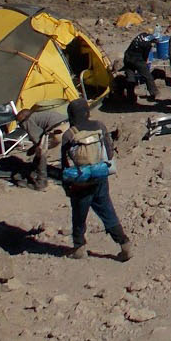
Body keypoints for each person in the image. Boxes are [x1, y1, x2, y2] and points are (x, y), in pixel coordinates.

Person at [59, 98, 131, 260]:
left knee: (79, 216)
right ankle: (124, 244)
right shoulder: (99, 126)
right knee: (107, 212)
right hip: (100, 177)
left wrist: (67, 185)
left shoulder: (69, 134)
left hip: (80, 182)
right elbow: (109, 152)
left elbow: (64, 164)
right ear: (87, 112)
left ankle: (79, 248)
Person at [15, 102, 69, 190]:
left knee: (41, 152)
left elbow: (36, 139)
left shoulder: (27, 120)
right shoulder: (40, 115)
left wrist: (35, 149)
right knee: (66, 151)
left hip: (58, 130)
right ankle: (69, 174)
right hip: (69, 126)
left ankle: (41, 182)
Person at [121, 31, 159, 103]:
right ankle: (154, 93)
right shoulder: (148, 44)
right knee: (148, 76)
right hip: (137, 59)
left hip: (127, 57)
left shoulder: (141, 35)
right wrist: (144, 65)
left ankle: (130, 97)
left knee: (130, 77)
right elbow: (145, 55)